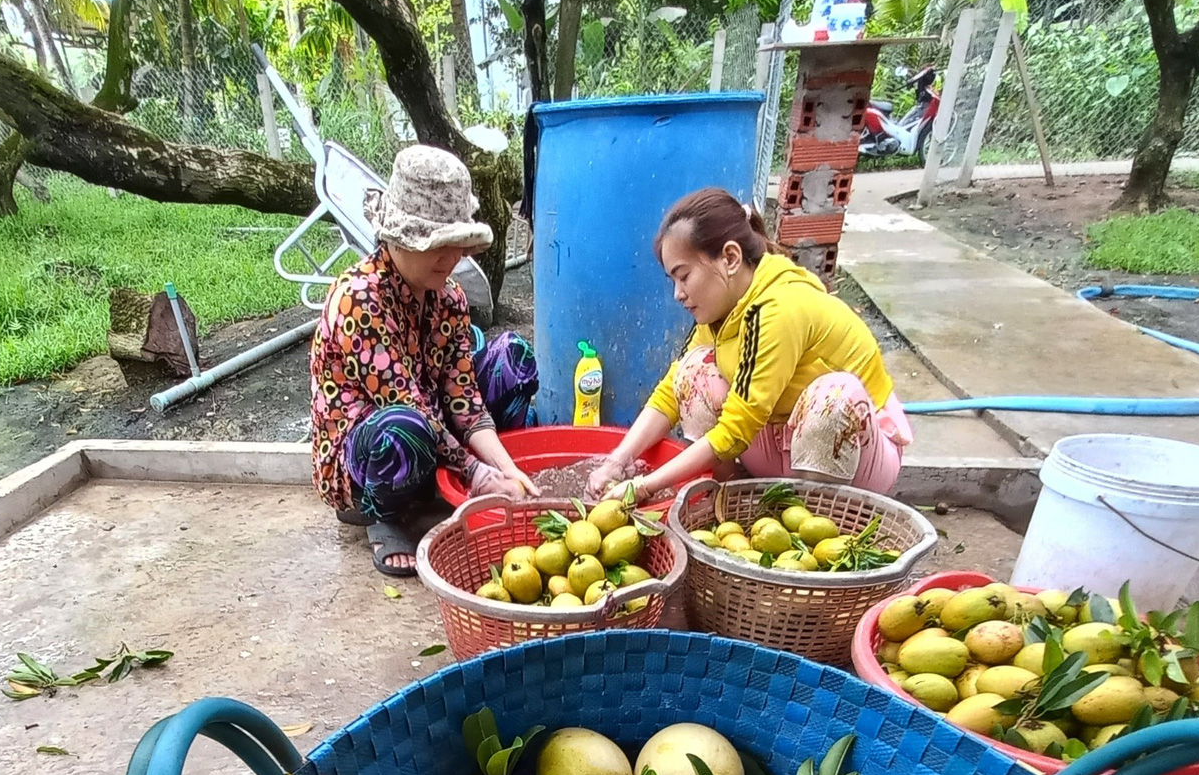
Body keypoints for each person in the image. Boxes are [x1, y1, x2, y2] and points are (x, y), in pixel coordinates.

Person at [588, 188, 910, 502]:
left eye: (684, 276)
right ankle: (734, 504)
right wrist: (617, 461)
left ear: (730, 257)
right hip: (780, 446)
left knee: (832, 397)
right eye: (673, 281)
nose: (678, 293)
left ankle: (820, 522)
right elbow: (671, 392)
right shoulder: (722, 310)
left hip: (853, 456)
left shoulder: (779, 308)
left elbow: (735, 430)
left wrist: (643, 487)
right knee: (693, 373)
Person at [311, 146, 539, 577]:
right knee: (404, 429)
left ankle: (447, 485)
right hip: (372, 447)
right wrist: (477, 472)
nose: (450, 257)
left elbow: (463, 397)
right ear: (396, 238)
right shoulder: (358, 300)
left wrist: (508, 468)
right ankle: (382, 513)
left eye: (456, 242)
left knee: (512, 358)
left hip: (432, 425)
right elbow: (411, 404)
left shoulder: (449, 297)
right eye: (437, 244)